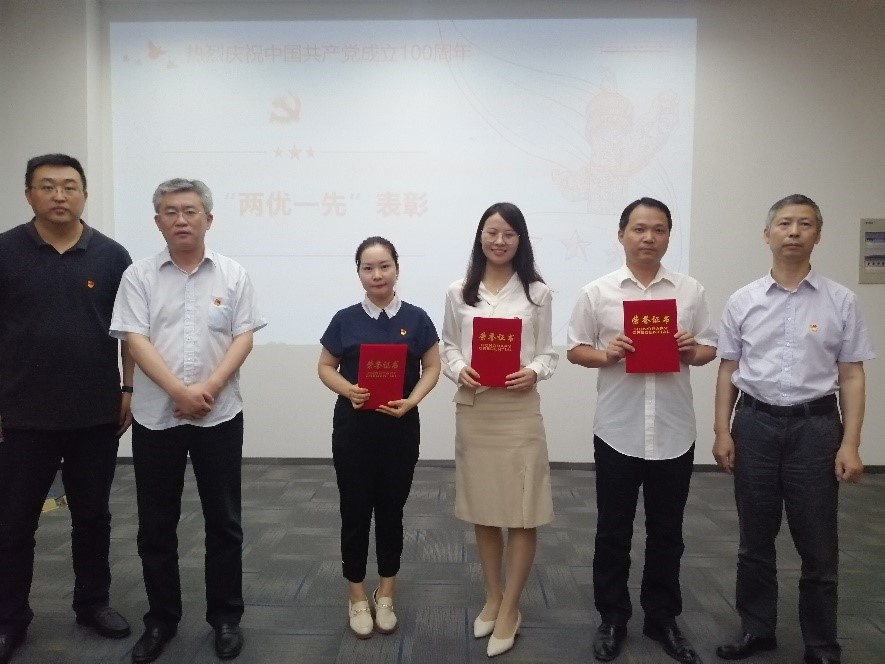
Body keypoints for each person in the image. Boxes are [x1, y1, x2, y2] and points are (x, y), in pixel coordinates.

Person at [713, 195, 875, 664]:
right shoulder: (743, 300)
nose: (794, 232)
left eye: (805, 224)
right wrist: (722, 431)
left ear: (817, 235)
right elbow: (728, 369)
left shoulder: (841, 300)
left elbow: (852, 375)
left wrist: (850, 443)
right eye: (784, 223)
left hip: (816, 428)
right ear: (767, 234)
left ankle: (821, 643)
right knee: (755, 539)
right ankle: (757, 629)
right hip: (755, 425)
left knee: (818, 543)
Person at [110, 178, 266, 663]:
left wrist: (209, 389)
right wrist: (179, 392)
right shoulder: (138, 276)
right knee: (156, 525)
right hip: (157, 417)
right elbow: (135, 340)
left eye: (191, 211)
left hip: (220, 415)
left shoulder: (233, 274)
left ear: (208, 219)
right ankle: (161, 619)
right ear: (158, 221)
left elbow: (244, 337)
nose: (181, 219)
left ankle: (225, 618)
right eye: (171, 212)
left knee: (225, 522)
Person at [566, 197, 715, 664]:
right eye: (639, 229)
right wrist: (606, 354)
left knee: (667, 532)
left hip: (674, 429)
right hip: (618, 428)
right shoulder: (598, 292)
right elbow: (575, 349)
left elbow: (709, 348)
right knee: (612, 530)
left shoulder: (690, 291)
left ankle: (662, 618)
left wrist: (691, 350)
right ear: (621, 234)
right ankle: (613, 618)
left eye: (659, 229)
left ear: (669, 235)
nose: (649, 237)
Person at [0, 154, 133, 664]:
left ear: (84, 194)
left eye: (70, 186)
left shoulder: (112, 256)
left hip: (94, 413)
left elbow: (129, 333)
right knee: (14, 522)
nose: (59, 195)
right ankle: (10, 619)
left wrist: (127, 388)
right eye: (47, 186)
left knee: (93, 516)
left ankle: (92, 603)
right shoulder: (5, 251)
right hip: (21, 415)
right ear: (28, 194)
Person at [441, 202, 558, 658]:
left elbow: (548, 353)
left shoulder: (538, 294)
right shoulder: (459, 292)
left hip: (518, 411)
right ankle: (492, 595)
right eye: (492, 232)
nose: (499, 240)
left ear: (520, 240)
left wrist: (534, 371)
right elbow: (448, 345)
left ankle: (511, 607)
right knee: (485, 507)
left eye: (509, 233)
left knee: (523, 510)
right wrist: (458, 369)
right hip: (476, 409)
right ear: (480, 237)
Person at [318, 236, 440, 639]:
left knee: (391, 510)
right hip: (354, 430)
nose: (377, 274)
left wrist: (412, 400)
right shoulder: (345, 319)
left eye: (384, 266)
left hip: (400, 428)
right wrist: (347, 389)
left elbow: (432, 366)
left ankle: (386, 591)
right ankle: (355, 594)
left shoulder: (417, 318)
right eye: (368, 268)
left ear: (397, 268)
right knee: (354, 511)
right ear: (358, 273)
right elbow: (325, 366)